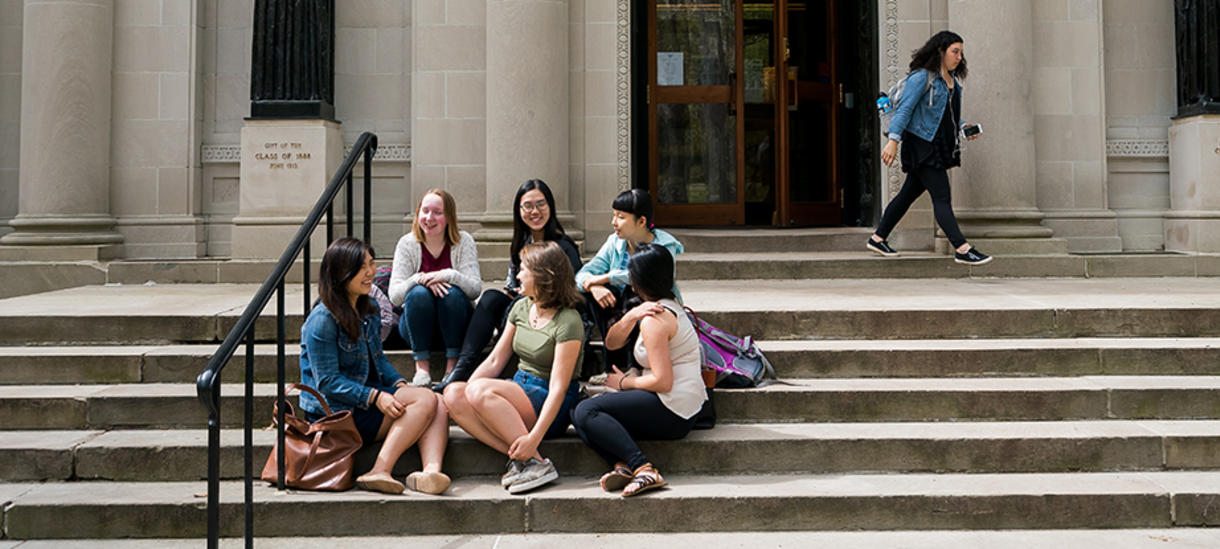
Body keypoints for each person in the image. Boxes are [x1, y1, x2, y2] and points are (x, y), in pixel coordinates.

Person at [299, 237, 450, 495]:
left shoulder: (368, 310)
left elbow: (378, 360)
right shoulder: (322, 320)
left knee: (438, 402)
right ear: (340, 273)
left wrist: (400, 386)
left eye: (372, 263)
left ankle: (430, 473)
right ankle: (379, 470)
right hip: (336, 413)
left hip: (366, 397)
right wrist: (375, 396)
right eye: (361, 267)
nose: (371, 272)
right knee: (425, 401)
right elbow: (327, 382)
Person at [442, 241, 585, 494]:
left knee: (479, 392)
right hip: (519, 387)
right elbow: (496, 361)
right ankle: (527, 459)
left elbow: (558, 388)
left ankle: (535, 457)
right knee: (453, 394)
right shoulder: (520, 307)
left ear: (543, 275)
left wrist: (535, 436)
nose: (517, 275)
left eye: (523, 269)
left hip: (550, 400)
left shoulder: (569, 320)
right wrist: (467, 388)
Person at [571, 243, 704, 497]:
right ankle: (622, 466)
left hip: (674, 408)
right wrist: (632, 316)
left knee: (587, 410)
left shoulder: (656, 319)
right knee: (575, 411)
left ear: (639, 280)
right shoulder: (655, 307)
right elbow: (612, 342)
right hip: (669, 401)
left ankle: (643, 467)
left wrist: (623, 384)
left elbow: (663, 382)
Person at [432, 179, 582, 392]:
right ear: (519, 210)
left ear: (550, 206)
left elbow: (570, 291)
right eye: (527, 206)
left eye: (541, 204)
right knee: (491, 298)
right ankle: (459, 373)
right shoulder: (521, 240)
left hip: (550, 313)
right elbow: (513, 285)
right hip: (521, 307)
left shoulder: (563, 246)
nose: (534, 211)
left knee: (511, 305)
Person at [868, 30, 992, 266]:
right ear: (940, 51)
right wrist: (893, 141)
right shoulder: (921, 78)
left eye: (961, 53)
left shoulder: (952, 82)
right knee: (942, 197)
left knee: (907, 195)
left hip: (938, 146)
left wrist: (965, 127)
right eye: (955, 52)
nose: (959, 57)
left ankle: (877, 237)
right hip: (922, 146)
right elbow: (905, 110)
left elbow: (947, 117)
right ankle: (962, 248)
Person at [575, 188, 684, 372]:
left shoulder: (664, 245)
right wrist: (595, 287)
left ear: (641, 221)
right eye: (614, 216)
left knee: (631, 291)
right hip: (620, 309)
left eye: (620, 217)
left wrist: (608, 277)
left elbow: (651, 277)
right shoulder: (615, 242)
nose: (614, 222)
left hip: (654, 303)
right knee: (593, 296)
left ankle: (633, 365)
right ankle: (613, 365)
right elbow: (582, 275)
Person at [389, 189, 482, 386]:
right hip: (417, 328)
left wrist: (448, 275)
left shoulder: (463, 241)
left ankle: (452, 365)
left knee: (452, 294)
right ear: (418, 214)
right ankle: (421, 368)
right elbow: (395, 296)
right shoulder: (407, 244)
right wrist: (419, 279)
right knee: (418, 294)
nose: (429, 218)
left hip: (455, 324)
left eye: (437, 212)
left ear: (449, 217)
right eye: (425, 211)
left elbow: (474, 289)